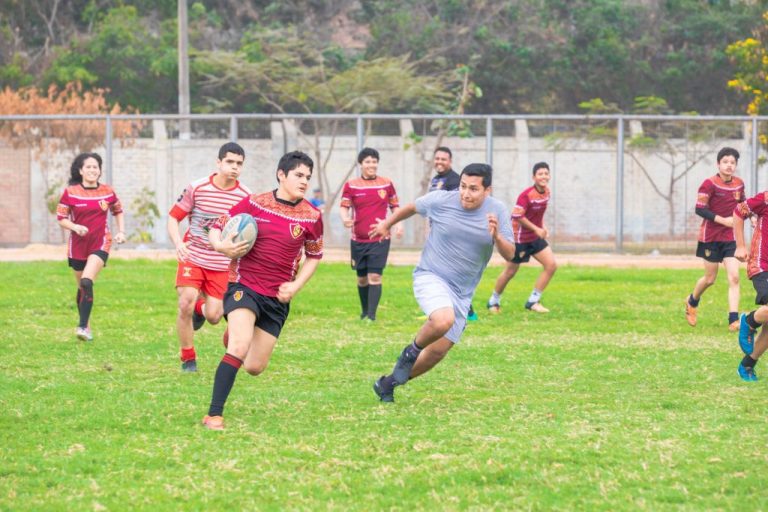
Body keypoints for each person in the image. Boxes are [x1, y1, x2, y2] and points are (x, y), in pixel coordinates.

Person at [370, 163, 516, 403]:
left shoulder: (497, 210)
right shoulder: (441, 200)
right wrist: (387, 224)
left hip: (462, 292)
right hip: (431, 276)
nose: (466, 194)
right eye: (463, 187)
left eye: (474, 189)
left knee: (437, 352)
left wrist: (497, 237)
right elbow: (410, 207)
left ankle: (387, 383)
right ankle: (411, 351)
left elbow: (511, 254)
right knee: (442, 320)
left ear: (487, 190)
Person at [201, 150, 323, 430]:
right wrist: (221, 246)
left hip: (277, 298)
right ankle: (214, 415)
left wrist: (295, 285)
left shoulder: (311, 216)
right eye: (298, 175)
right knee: (239, 347)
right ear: (282, 175)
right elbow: (216, 226)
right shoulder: (255, 203)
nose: (304, 181)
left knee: (254, 367)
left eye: (307, 177)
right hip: (245, 286)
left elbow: (315, 256)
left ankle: (234, 332)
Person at [167, 142, 252, 372]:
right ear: (219, 162)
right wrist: (178, 244)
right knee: (185, 301)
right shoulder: (198, 188)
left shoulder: (245, 197)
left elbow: (249, 231)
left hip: (222, 264)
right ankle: (188, 358)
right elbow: (174, 217)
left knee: (214, 316)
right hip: (193, 255)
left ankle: (199, 310)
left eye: (239, 164)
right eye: (230, 162)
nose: (234, 167)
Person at [56, 152, 126, 341]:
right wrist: (75, 227)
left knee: (87, 281)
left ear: (99, 171)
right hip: (77, 245)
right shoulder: (70, 192)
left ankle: (82, 327)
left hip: (100, 242)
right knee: (81, 286)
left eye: (96, 167)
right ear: (80, 170)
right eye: (88, 167)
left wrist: (121, 231)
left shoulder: (107, 191)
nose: (92, 170)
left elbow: (118, 210)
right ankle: (86, 325)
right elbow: (61, 218)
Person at [684, 147, 744, 331]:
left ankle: (733, 320)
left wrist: (752, 216)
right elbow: (699, 208)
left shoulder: (739, 184)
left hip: (729, 238)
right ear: (718, 164)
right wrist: (722, 220)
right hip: (710, 237)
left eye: (732, 162)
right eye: (725, 162)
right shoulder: (709, 184)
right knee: (710, 279)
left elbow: (742, 205)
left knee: (734, 277)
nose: (729, 165)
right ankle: (692, 301)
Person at [487, 162, 557, 314]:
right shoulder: (526, 195)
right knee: (511, 271)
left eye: (546, 173)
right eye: (540, 174)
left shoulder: (547, 192)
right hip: (520, 238)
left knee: (551, 265)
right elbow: (517, 216)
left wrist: (542, 227)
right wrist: (536, 229)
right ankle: (493, 301)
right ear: (534, 177)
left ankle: (533, 301)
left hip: (535, 237)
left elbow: (538, 215)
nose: (544, 176)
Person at [340, 147, 400, 321]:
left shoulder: (386, 183)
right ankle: (365, 311)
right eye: (367, 161)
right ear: (361, 164)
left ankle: (372, 316)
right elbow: (344, 206)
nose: (371, 165)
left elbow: (395, 206)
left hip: (380, 239)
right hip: (358, 240)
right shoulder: (351, 185)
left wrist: (398, 224)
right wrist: (345, 219)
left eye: (374, 161)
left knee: (375, 276)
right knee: (362, 279)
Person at [428, 146, 478, 321]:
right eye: (437, 158)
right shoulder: (436, 180)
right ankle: (442, 307)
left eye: (443, 159)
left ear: (450, 161)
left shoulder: (455, 180)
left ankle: (466, 310)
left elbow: (458, 208)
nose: (439, 162)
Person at [733, 188, 767, 381]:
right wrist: (740, 245)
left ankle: (747, 365)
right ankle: (749, 321)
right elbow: (739, 212)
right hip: (762, 264)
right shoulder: (765, 198)